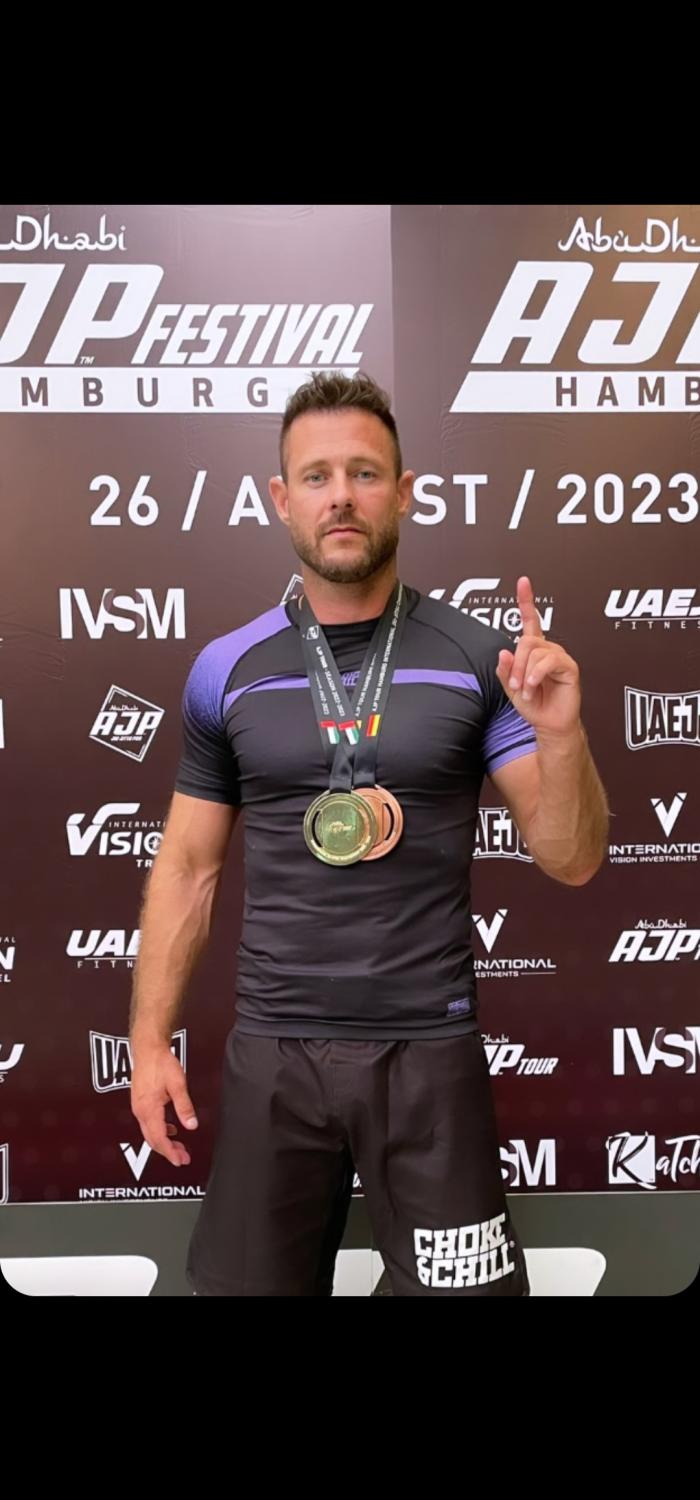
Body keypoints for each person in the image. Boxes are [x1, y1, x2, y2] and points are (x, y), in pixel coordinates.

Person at [129, 371, 609, 1297]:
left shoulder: (480, 657)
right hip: (275, 1050)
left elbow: (574, 856)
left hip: (427, 1050)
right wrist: (149, 1045)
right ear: (282, 499)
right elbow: (187, 868)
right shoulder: (226, 667)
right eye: (316, 476)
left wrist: (561, 734)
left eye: (364, 472)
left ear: (405, 490)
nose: (341, 495)